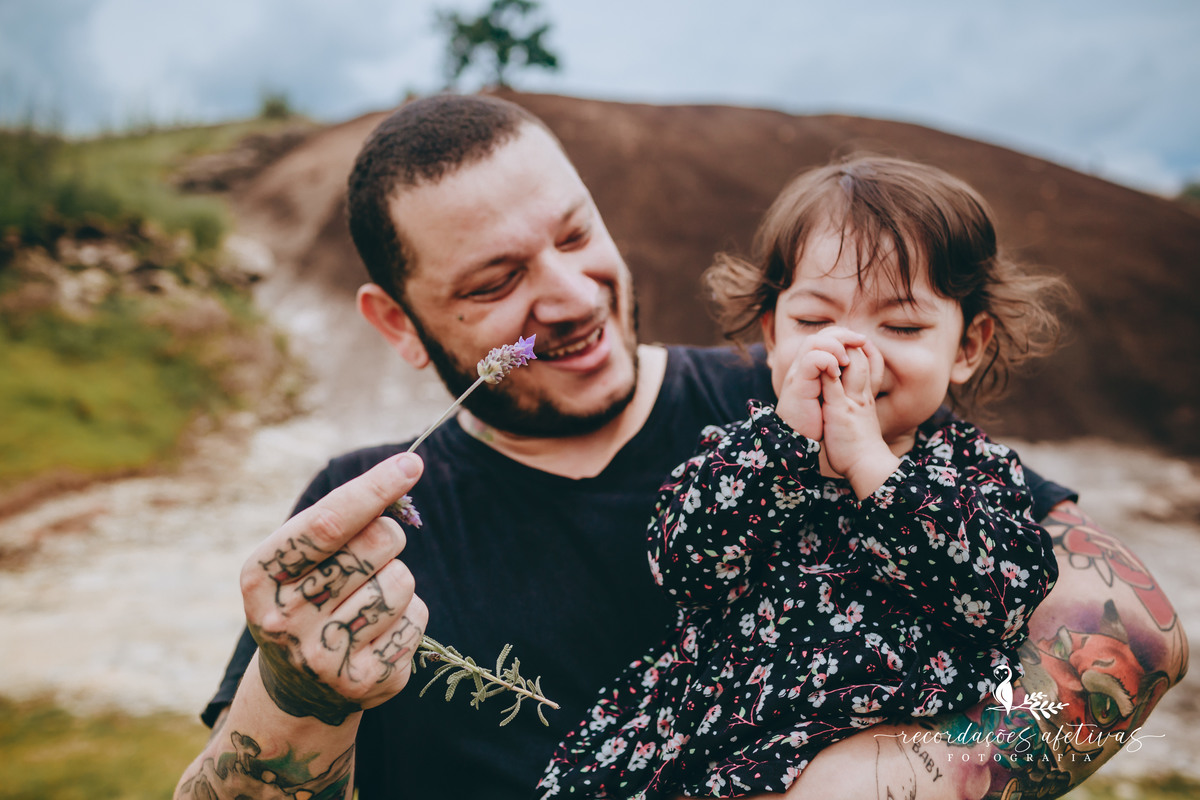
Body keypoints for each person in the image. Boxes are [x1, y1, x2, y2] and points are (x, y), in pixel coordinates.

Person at [174, 94, 1187, 800]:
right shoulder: (362, 522)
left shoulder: (819, 404)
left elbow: (1136, 635)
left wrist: (899, 778)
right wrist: (297, 697)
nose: (568, 296)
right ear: (397, 323)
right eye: (495, 281)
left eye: (575, 236)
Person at [541, 156, 1062, 798]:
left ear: (967, 347)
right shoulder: (747, 456)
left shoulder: (973, 472)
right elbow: (678, 561)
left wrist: (874, 465)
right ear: (772, 332)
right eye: (814, 321)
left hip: (865, 748)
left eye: (901, 325)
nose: (850, 351)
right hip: (700, 736)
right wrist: (783, 443)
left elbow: (1006, 598)